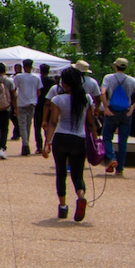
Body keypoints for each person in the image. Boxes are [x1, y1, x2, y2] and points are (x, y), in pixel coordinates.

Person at [43, 67, 98, 221]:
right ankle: (80, 195)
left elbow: (53, 122)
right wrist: (96, 140)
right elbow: (90, 123)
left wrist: (47, 143)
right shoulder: (86, 99)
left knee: (61, 173)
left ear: (65, 83)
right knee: (77, 174)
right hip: (79, 139)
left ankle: (62, 206)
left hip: (61, 138)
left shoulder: (58, 100)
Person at [100, 57, 135, 176]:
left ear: (115, 66)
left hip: (112, 111)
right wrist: (133, 106)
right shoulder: (131, 80)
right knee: (123, 140)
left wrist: (105, 107)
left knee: (107, 137)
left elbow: (103, 92)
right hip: (126, 111)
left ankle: (111, 158)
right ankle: (120, 167)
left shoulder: (109, 77)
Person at [13, 59, 42, 155]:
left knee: (22, 124)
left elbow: (14, 89)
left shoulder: (19, 77)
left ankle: (25, 144)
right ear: (32, 67)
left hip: (21, 103)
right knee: (28, 124)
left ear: (23, 67)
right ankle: (26, 143)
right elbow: (39, 92)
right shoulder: (36, 77)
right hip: (32, 103)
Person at [34, 64, 56, 154]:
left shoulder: (38, 80)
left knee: (37, 127)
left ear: (40, 70)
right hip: (49, 105)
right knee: (48, 125)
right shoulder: (52, 81)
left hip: (38, 104)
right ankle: (47, 144)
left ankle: (39, 146)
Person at [9, 63, 23, 140]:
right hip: (13, 97)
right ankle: (18, 129)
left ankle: (17, 132)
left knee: (17, 116)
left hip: (20, 98)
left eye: (18, 68)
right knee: (12, 115)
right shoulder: (12, 77)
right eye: (16, 68)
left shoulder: (22, 77)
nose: (17, 69)